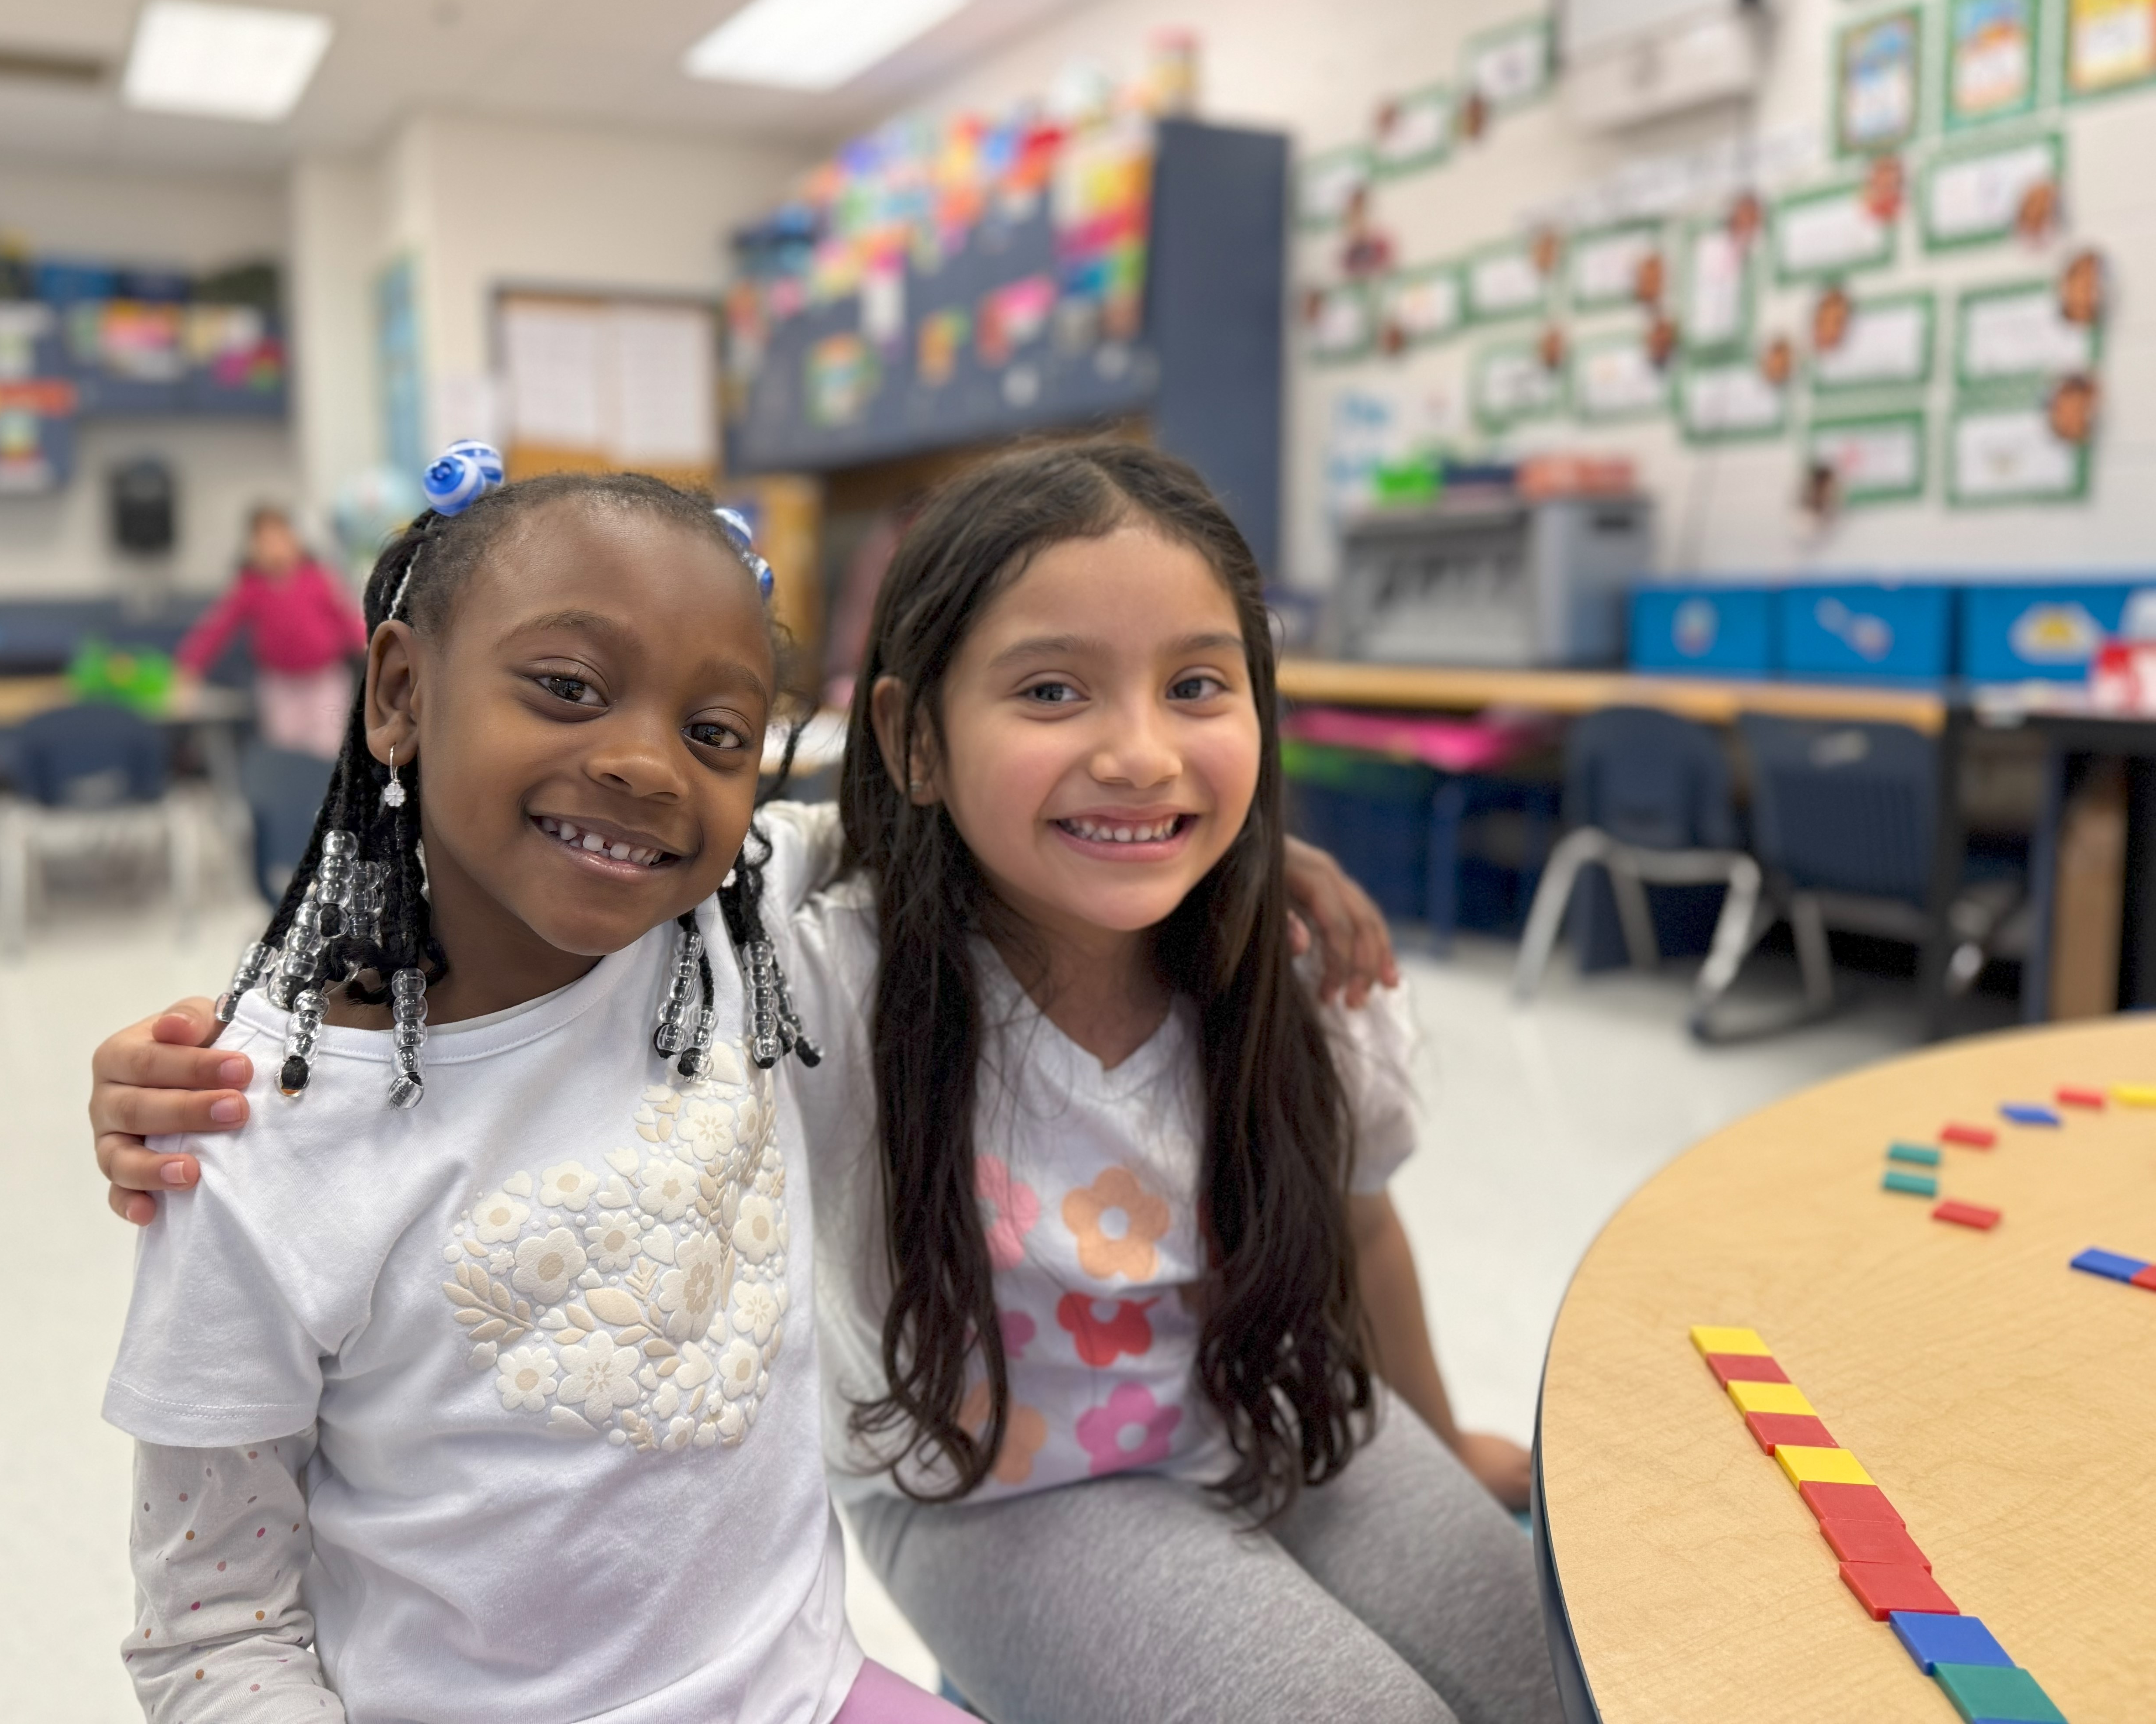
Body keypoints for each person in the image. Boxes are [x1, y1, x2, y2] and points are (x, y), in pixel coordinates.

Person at [95, 445, 1551, 1721]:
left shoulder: (1294, 970)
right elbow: (518, 856)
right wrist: (204, 1058)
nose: (1137, 750)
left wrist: (1445, 1428)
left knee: (1560, 1669)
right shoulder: (805, 947)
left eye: (1198, 688)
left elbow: (1358, 1223)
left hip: (1278, 1411)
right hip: (1006, 1487)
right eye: (1053, 688)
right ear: (913, 741)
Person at [105, 445, 961, 1723]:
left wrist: (1239, 867)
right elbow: (212, 1629)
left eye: (714, 731)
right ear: (398, 691)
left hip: (806, 1693)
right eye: (566, 687)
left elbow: (914, 832)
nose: (646, 765)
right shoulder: (246, 1128)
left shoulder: (722, 930)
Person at [177, 505, 369, 758]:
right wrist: (189, 667)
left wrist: (373, 647)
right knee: (285, 750)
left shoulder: (319, 578)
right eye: (264, 542)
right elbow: (216, 629)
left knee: (328, 749)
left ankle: (329, 797)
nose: (274, 548)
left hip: (324, 681)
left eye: (280, 539)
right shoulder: (250, 588)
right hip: (279, 685)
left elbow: (347, 618)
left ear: (294, 540)